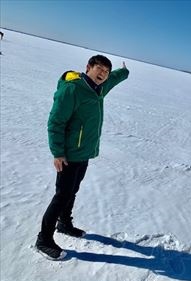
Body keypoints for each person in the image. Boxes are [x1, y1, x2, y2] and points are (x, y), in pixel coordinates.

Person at [35, 55, 129, 260]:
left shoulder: (99, 88)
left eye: (105, 71)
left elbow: (113, 78)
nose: (103, 75)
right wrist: (58, 153)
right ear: (88, 68)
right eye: (99, 69)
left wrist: (124, 71)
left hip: (83, 153)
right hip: (68, 155)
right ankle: (43, 239)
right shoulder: (72, 89)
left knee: (72, 191)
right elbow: (56, 122)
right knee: (61, 195)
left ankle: (64, 223)